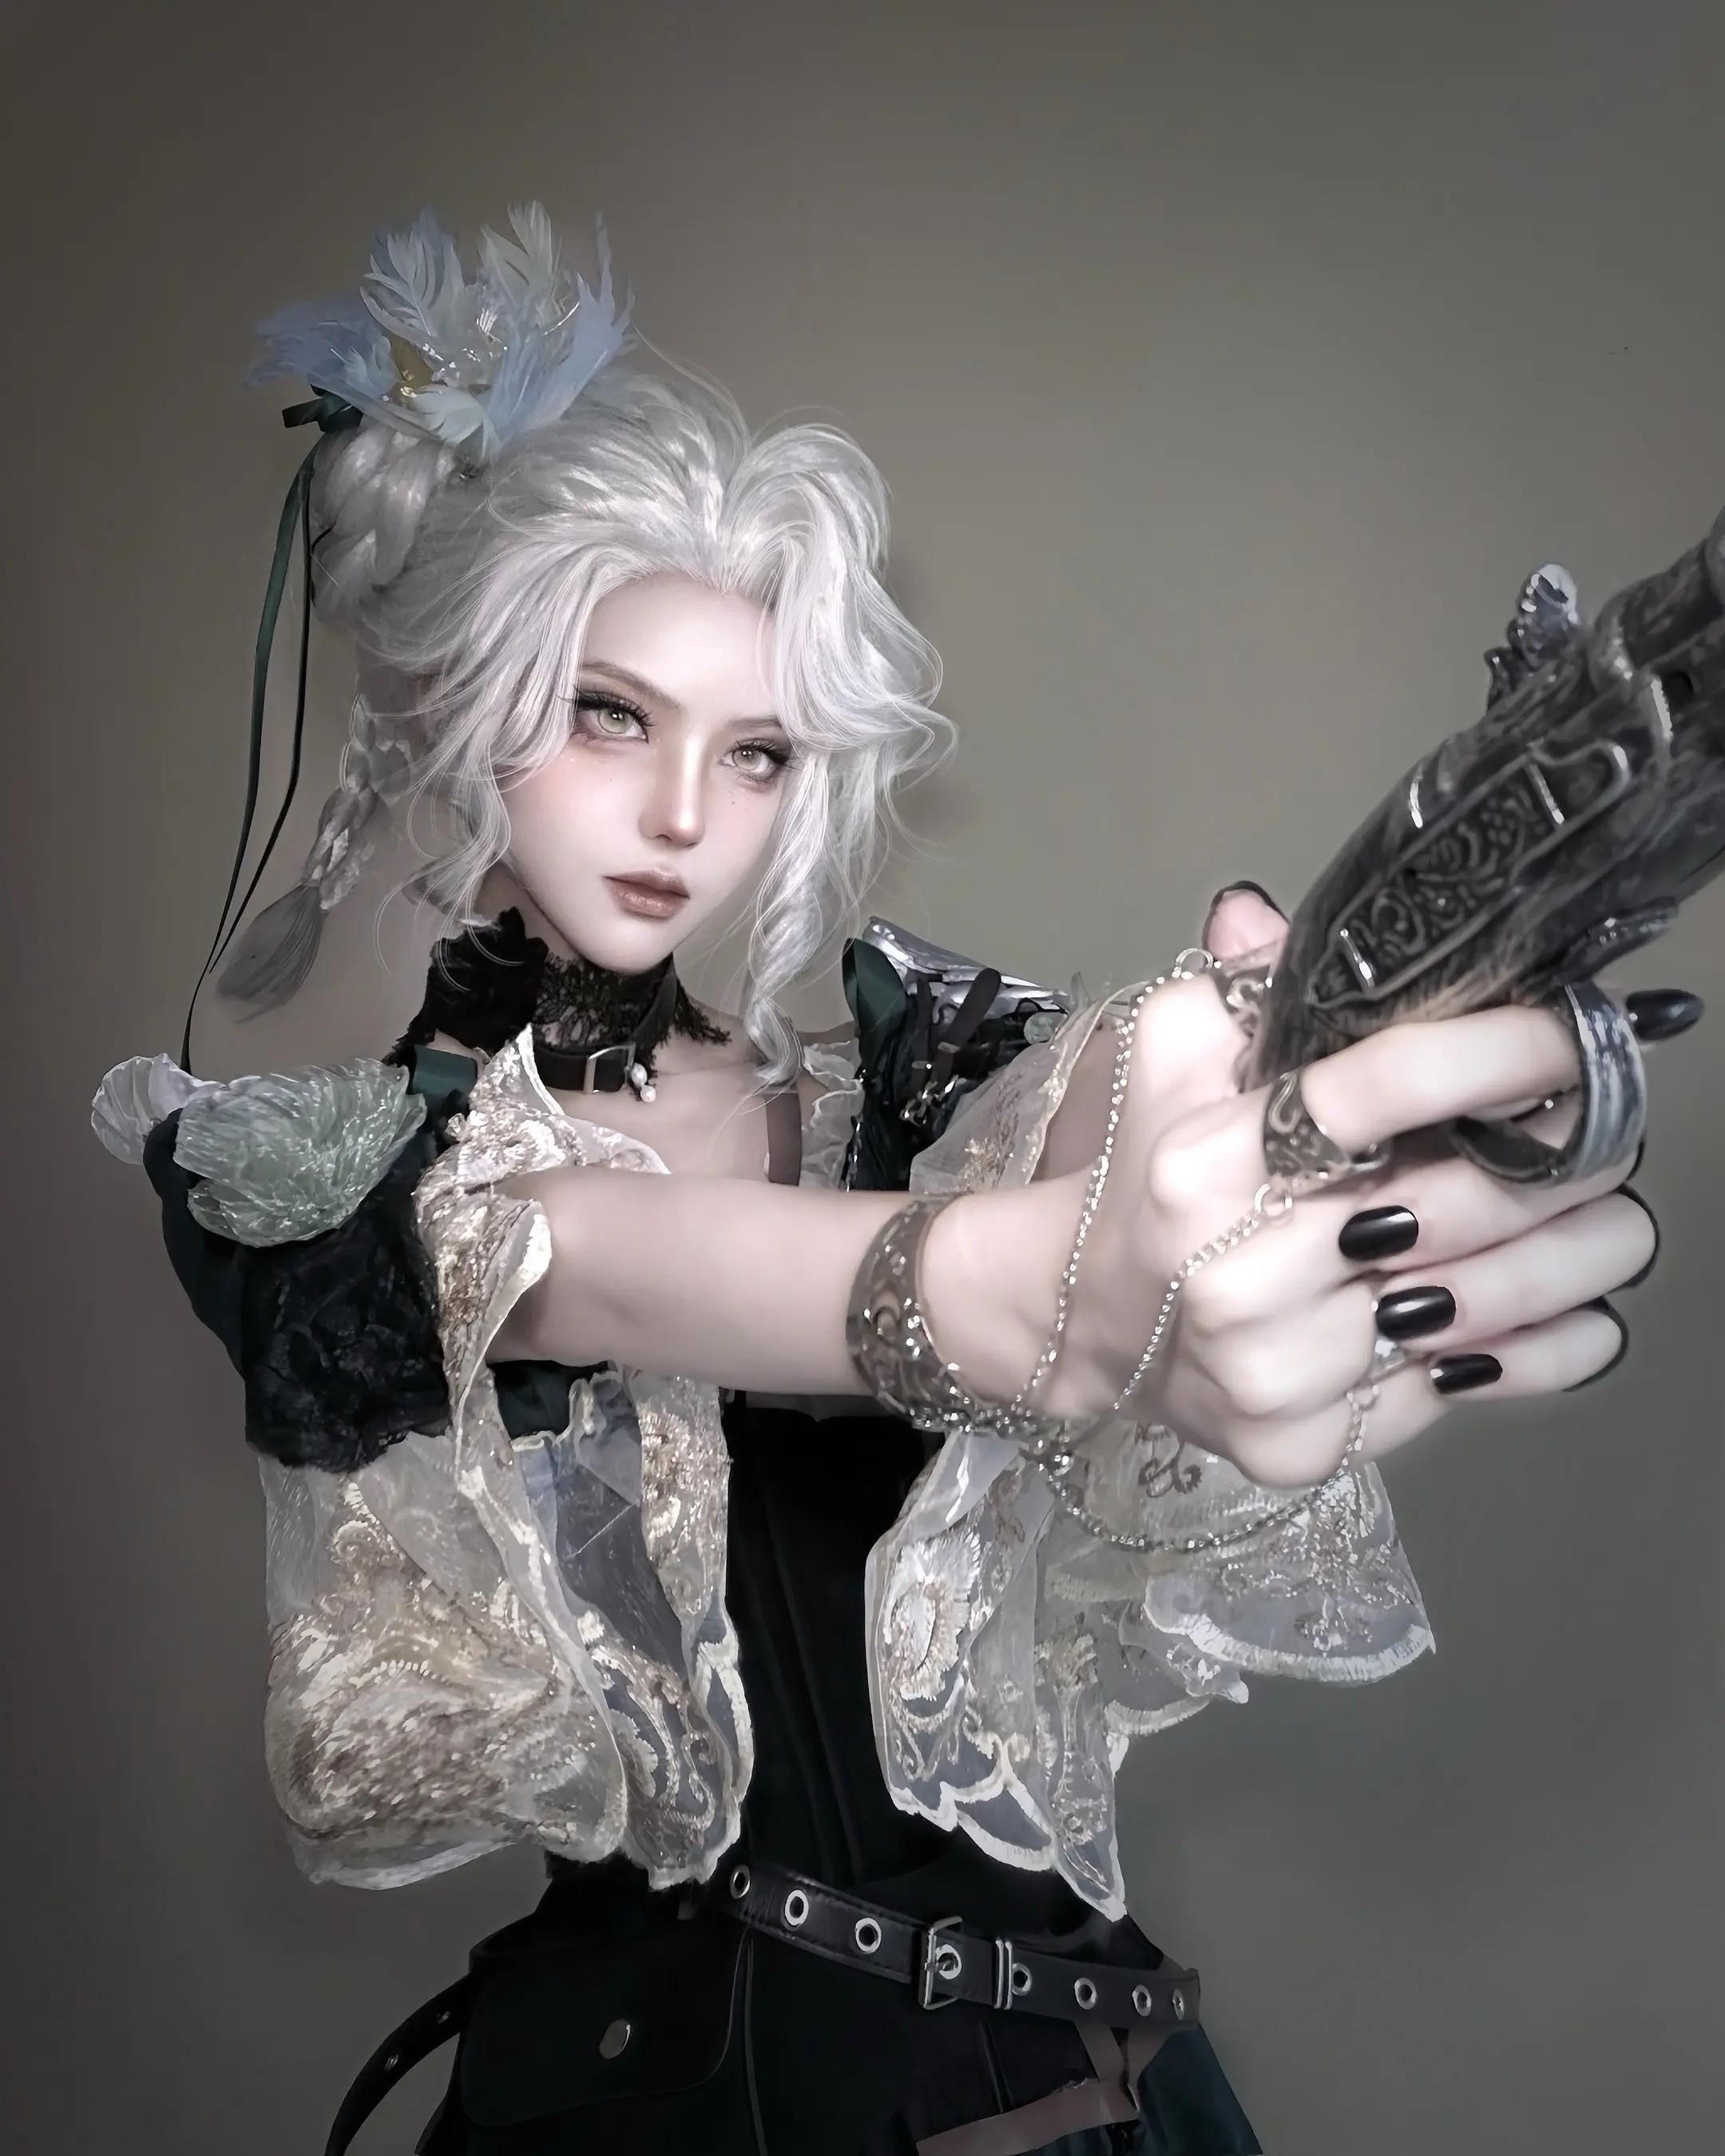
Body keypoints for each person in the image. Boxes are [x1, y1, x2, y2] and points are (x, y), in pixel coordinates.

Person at [93, 205, 1676, 2156]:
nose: (688, 814)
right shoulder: (333, 1185)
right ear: (465, 704)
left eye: (760, 754)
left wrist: (1278, 1049)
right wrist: (1026, 1295)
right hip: (691, 2106)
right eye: (612, 716)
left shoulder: (905, 1061)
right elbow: (593, 1256)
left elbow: (1081, 1100)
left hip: (1101, 2079)